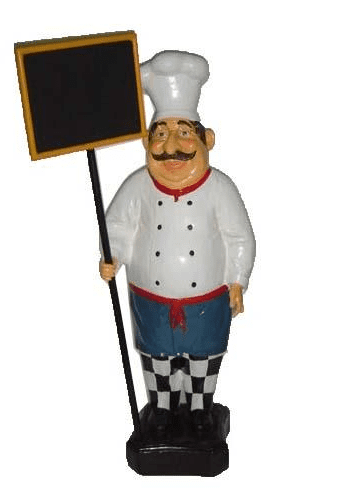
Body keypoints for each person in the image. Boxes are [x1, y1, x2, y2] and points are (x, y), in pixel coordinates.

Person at [100, 50, 256, 432]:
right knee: (157, 358)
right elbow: (117, 226)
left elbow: (239, 237)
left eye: (184, 133)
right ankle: (162, 410)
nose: (172, 146)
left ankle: (201, 411)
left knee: (203, 358)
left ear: (207, 140)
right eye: (161, 134)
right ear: (146, 141)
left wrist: (238, 280)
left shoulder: (219, 188)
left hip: (207, 298)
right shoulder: (138, 186)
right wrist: (113, 255)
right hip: (150, 299)